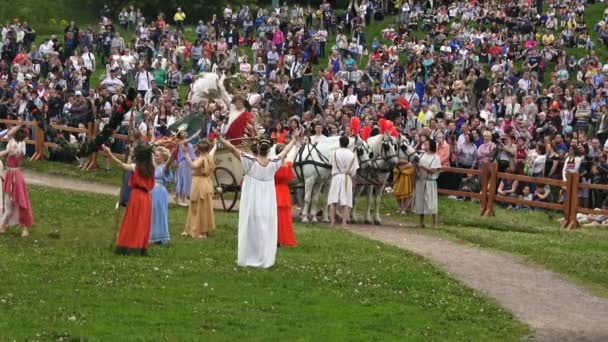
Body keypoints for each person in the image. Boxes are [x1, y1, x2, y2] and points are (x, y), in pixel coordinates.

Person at [218, 128, 300, 268]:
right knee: (266, 226)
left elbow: (232, 149)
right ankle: (264, 257)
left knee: (250, 225)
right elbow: (285, 151)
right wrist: (294, 139)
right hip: (267, 198)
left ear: (258, 148)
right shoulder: (274, 162)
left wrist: (220, 139)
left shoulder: (250, 161)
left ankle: (249, 256)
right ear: (269, 150)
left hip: (252, 198)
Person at [102, 143, 155, 255]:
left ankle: (129, 244)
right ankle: (140, 246)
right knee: (142, 222)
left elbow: (121, 165)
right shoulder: (151, 167)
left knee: (133, 220)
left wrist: (110, 153)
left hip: (136, 195)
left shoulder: (135, 167)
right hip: (146, 197)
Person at [0, 125, 34, 237]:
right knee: (7, 201)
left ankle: (24, 227)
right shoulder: (12, 142)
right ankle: (3, 224)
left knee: (21, 201)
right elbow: (9, 135)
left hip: (16, 175)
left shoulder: (21, 144)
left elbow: (10, 136)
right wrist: (19, 125)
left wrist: (19, 126)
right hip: (9, 174)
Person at [182, 138, 217, 239]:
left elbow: (193, 166)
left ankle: (199, 230)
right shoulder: (210, 156)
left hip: (199, 184)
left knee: (198, 207)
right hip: (207, 183)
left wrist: (187, 155)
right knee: (205, 206)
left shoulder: (201, 159)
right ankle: (204, 229)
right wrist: (215, 144)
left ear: (199, 148)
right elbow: (214, 149)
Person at [327, 135, 359, 227]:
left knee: (333, 201)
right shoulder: (352, 155)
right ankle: (344, 223)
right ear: (348, 144)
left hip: (336, 177)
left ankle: (332, 222)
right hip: (346, 178)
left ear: (339, 143)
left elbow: (330, 163)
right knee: (346, 201)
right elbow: (353, 171)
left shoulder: (334, 153)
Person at [412, 140, 441, 228]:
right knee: (420, 201)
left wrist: (422, 166)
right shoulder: (422, 155)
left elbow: (433, 170)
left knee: (431, 202)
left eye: (427, 144)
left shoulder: (436, 157)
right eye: (425, 144)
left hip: (430, 182)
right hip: (420, 181)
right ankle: (421, 222)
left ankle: (434, 224)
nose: (425, 144)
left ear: (432, 145)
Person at [149, 146, 174, 244]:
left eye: (157, 156)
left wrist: (172, 156)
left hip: (159, 191)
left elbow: (168, 164)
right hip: (151, 191)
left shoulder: (164, 168)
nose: (155, 157)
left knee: (159, 212)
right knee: (151, 213)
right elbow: (150, 156)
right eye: (155, 155)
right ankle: (152, 235)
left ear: (163, 157)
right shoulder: (154, 167)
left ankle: (160, 236)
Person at [274, 144, 297, 247]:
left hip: (279, 189)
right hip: (281, 189)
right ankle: (279, 238)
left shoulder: (277, 164)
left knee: (283, 215)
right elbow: (291, 178)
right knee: (279, 215)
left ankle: (281, 238)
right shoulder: (287, 164)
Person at [175, 130, 195, 207]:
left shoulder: (186, 143)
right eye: (182, 133)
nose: (185, 133)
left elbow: (190, 152)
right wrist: (195, 134)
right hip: (184, 162)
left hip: (185, 162)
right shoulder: (183, 142)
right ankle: (181, 199)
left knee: (183, 180)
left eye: (185, 132)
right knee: (184, 180)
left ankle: (179, 197)